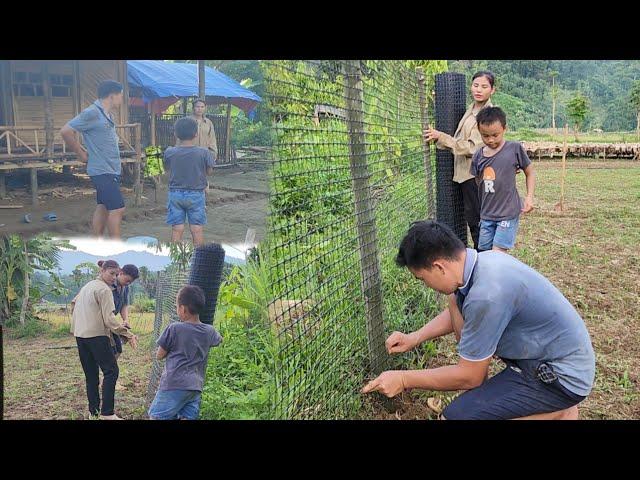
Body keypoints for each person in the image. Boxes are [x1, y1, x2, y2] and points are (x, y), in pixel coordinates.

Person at [361, 220, 595, 420]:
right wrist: (415, 337)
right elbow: (467, 311)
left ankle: (560, 408)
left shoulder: (487, 294)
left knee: (454, 417)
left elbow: (470, 376)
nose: (425, 284)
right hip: (548, 357)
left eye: (422, 278)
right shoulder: (482, 264)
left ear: (438, 267)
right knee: (455, 300)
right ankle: (555, 408)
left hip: (560, 376)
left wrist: (403, 378)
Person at [424, 71, 496, 250]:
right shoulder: (471, 109)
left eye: (484, 86)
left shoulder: (487, 115)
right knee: (473, 218)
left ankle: (486, 259)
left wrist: (442, 137)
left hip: (475, 175)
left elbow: (473, 147)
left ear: (492, 90)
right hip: (465, 174)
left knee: (478, 220)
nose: (479, 90)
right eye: (476, 85)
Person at [71, 259, 138, 420]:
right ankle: (107, 414)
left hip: (80, 335)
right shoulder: (105, 290)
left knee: (92, 375)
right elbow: (109, 319)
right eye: (111, 273)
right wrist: (128, 334)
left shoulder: (88, 286)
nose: (114, 277)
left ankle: (93, 412)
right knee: (111, 371)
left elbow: (73, 305)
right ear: (102, 271)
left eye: (116, 274)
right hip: (96, 336)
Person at [61, 80, 126, 239]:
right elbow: (66, 131)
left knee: (103, 206)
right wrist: (80, 152)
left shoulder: (106, 114)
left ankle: (96, 240)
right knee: (117, 209)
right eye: (121, 96)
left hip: (110, 168)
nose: (122, 99)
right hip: (102, 170)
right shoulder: (92, 113)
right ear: (112, 96)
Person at [148, 285, 222, 420]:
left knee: (157, 416)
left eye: (177, 307)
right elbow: (218, 340)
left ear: (182, 309)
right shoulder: (210, 331)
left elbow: (159, 355)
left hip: (173, 383)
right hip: (195, 387)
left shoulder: (174, 328)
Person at [471, 107, 536, 252]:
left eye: (495, 135)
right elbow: (478, 181)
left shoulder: (514, 149)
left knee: (498, 254)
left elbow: (530, 172)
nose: (491, 140)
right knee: (485, 253)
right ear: (479, 131)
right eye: (485, 136)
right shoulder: (477, 156)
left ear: (504, 129)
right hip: (486, 215)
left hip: (508, 213)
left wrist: (529, 197)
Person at [163, 117, 215, 245]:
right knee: (196, 229)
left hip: (175, 194)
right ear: (196, 134)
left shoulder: (169, 152)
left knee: (177, 229)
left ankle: (175, 258)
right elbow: (209, 172)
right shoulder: (204, 152)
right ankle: (200, 259)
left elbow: (166, 168)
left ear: (176, 134)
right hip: (196, 195)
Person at [109, 263, 140, 359]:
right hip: (105, 321)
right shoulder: (108, 286)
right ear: (121, 273)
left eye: (130, 282)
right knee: (110, 349)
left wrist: (125, 320)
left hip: (112, 321)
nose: (128, 283)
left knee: (118, 349)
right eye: (127, 280)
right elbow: (106, 313)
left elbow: (124, 305)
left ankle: (110, 369)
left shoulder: (125, 288)